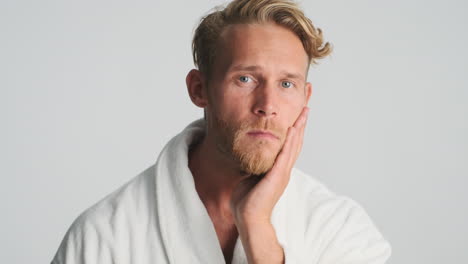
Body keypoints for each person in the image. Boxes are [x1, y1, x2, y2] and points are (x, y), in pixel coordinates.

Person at [51, 0, 392, 263]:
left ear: (306, 98)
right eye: (245, 79)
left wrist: (258, 229)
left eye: (287, 84)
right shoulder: (103, 238)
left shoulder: (342, 232)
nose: (267, 104)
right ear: (199, 89)